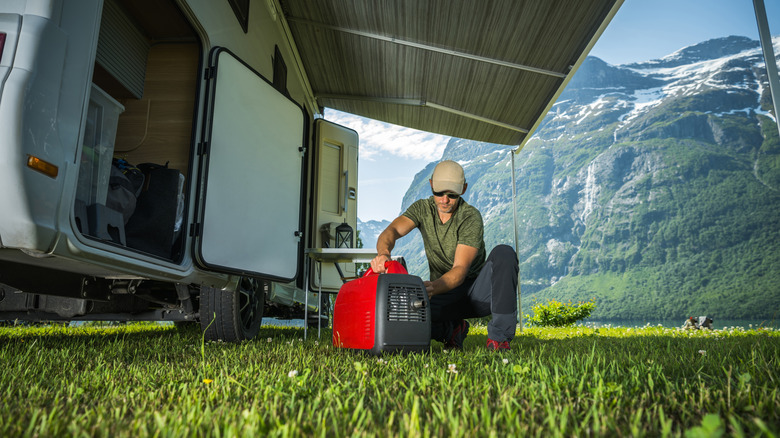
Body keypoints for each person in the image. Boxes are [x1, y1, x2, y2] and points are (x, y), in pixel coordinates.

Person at [370, 160, 519, 351]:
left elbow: (459, 270)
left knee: (504, 253)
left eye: (452, 194)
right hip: (443, 293)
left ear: (463, 189)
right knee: (404, 317)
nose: (444, 199)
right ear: (431, 185)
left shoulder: (470, 216)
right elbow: (392, 230)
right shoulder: (422, 209)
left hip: (476, 294)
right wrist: (383, 254)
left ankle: (499, 339)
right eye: (439, 193)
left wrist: (432, 287)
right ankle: (452, 331)